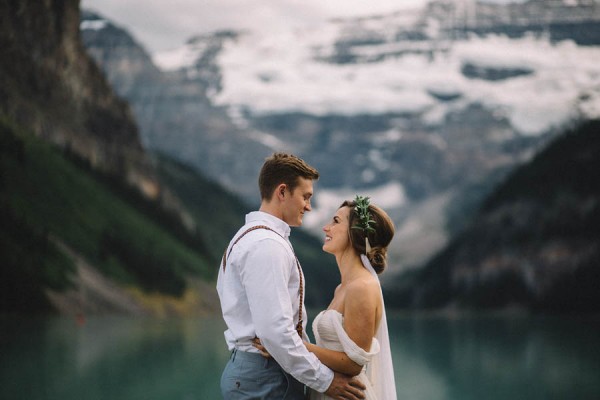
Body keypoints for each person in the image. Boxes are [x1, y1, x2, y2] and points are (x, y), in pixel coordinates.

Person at [217, 152, 366, 399]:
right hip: (265, 377)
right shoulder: (267, 245)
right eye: (305, 197)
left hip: (258, 373)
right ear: (282, 192)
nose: (308, 206)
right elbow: (276, 333)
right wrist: (326, 381)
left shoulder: (248, 237)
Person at [255, 196, 397, 400]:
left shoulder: (362, 287)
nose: (326, 228)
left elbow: (353, 363)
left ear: (355, 233)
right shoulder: (343, 288)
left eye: (336, 221)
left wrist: (287, 344)